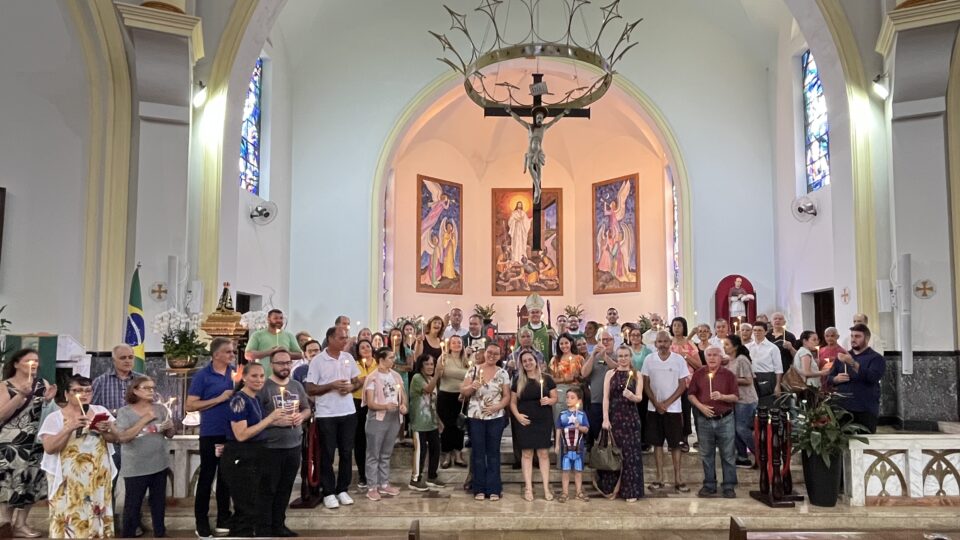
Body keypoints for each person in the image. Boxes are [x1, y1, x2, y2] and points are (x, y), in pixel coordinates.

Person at [39, 375, 121, 538]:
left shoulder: (100, 411)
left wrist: (105, 430)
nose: (83, 394)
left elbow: (115, 438)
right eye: (77, 390)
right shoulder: (55, 417)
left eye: (87, 390)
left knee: (96, 513)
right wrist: (68, 428)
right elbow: (49, 448)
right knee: (70, 515)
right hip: (68, 478)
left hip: (97, 475)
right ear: (67, 394)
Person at [222, 363, 290, 537]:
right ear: (244, 377)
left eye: (261, 376)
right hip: (242, 457)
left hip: (257, 454)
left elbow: (256, 426)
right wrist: (270, 419)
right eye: (254, 376)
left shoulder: (255, 398)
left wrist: (277, 421)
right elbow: (241, 434)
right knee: (245, 507)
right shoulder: (238, 400)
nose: (259, 380)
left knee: (256, 504)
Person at [0, 349, 56, 538]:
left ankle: (21, 525)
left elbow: (47, 413)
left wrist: (48, 401)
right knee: (11, 484)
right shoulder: (5, 385)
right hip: (12, 444)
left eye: (36, 361)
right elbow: (1, 415)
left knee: (30, 483)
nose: (34, 364)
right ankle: (5, 524)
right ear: (16, 364)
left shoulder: (42, 384)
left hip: (36, 442)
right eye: (28, 361)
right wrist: (19, 396)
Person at [186, 337, 237, 538]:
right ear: (216, 355)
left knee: (227, 477)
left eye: (232, 352)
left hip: (231, 432)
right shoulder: (203, 376)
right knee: (207, 477)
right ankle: (201, 520)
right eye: (228, 352)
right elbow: (190, 405)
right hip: (211, 432)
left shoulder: (234, 374)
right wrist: (219, 399)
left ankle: (224, 518)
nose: (232, 355)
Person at [304, 327, 361, 509]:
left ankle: (342, 488)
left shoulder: (348, 358)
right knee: (327, 453)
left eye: (346, 338)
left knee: (346, 452)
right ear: (330, 338)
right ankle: (328, 491)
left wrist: (351, 388)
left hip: (348, 411)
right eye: (341, 338)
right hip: (327, 413)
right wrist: (332, 386)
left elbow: (357, 380)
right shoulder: (318, 361)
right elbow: (310, 389)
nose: (345, 341)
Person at [114, 376, 175, 539]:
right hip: (136, 466)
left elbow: (169, 435)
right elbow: (123, 437)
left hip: (159, 463)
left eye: (153, 388)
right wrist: (145, 420)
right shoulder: (124, 412)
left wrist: (169, 428)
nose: (151, 391)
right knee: (133, 505)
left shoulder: (161, 409)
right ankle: (128, 534)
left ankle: (160, 533)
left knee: (158, 503)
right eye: (146, 388)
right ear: (135, 390)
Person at [91, 344, 144, 531]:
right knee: (109, 483)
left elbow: (150, 406)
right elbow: (91, 409)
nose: (128, 360)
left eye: (131, 357)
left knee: (135, 485)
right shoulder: (100, 381)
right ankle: (108, 524)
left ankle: (133, 523)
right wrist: (113, 416)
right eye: (123, 358)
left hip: (137, 440)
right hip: (111, 441)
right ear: (114, 360)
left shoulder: (141, 380)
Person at [256, 351, 309, 537]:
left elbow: (307, 408)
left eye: (288, 363)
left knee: (285, 488)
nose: (285, 367)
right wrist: (273, 421)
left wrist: (300, 416)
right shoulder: (264, 387)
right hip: (271, 446)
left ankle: (279, 524)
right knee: (268, 489)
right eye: (280, 363)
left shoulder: (296, 386)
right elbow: (255, 415)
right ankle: (263, 527)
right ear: (271, 364)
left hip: (293, 444)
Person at [460, 343, 511, 501]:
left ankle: (494, 488)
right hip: (476, 417)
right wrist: (471, 387)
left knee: (493, 453)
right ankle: (479, 488)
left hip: (495, 417)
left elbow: (507, 396)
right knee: (478, 453)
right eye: (490, 352)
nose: (492, 356)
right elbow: (463, 391)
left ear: (499, 356)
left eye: (496, 354)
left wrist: (497, 407)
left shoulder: (502, 373)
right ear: (484, 352)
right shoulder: (474, 369)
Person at [688, 347, 739, 498]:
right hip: (704, 420)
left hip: (725, 419)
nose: (711, 358)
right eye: (709, 355)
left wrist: (722, 396)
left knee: (728, 454)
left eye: (715, 355)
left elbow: (736, 397)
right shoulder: (699, 373)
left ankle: (729, 485)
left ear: (720, 357)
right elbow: (691, 394)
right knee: (706, 454)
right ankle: (709, 484)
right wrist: (701, 407)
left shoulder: (728, 375)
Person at [641, 331, 689, 494]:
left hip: (674, 409)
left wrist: (667, 403)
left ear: (670, 343)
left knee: (676, 444)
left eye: (665, 341)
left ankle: (678, 478)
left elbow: (683, 384)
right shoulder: (649, 359)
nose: (662, 344)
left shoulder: (678, 359)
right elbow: (645, 383)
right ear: (655, 344)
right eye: (659, 341)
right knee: (657, 443)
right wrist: (656, 402)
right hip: (653, 408)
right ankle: (659, 478)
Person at [599, 346, 645, 502]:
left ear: (630, 357)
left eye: (626, 355)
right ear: (616, 357)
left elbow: (639, 398)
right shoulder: (610, 374)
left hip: (630, 419)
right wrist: (605, 418)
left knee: (630, 455)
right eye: (620, 356)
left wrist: (631, 396)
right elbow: (605, 398)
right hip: (614, 418)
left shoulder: (637, 375)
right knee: (614, 454)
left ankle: (630, 491)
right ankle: (612, 488)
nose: (623, 358)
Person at [510, 350, 557, 501]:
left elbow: (555, 397)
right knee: (527, 454)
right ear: (521, 364)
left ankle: (545, 487)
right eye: (524, 361)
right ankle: (528, 488)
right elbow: (512, 402)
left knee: (543, 453)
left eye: (530, 360)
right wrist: (517, 416)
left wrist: (549, 401)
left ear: (536, 361)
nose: (528, 363)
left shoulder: (547, 379)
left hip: (543, 419)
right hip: (525, 420)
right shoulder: (518, 380)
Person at [362, 348, 407, 501]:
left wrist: (403, 406)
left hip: (394, 418)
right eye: (391, 357)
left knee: (386, 453)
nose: (393, 360)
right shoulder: (372, 378)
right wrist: (385, 406)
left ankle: (384, 483)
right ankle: (372, 486)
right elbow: (370, 402)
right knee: (374, 453)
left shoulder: (396, 376)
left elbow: (402, 395)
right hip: (378, 418)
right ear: (381, 359)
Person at [827, 324, 886, 433]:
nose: (853, 339)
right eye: (852, 336)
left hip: (865, 409)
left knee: (865, 446)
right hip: (843, 409)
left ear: (867, 339)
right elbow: (829, 378)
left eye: (858, 336)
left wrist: (852, 363)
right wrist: (836, 379)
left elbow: (872, 377)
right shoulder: (843, 356)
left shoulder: (876, 358)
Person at [408, 354, 445, 491]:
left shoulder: (431, 378)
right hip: (419, 421)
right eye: (427, 364)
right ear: (421, 365)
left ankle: (432, 476)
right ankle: (415, 479)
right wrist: (437, 375)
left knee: (436, 448)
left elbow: (433, 401)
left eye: (432, 364)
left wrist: (439, 420)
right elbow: (428, 390)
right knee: (420, 450)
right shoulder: (417, 378)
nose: (430, 366)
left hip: (431, 421)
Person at [724, 336, 757, 468]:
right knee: (735, 429)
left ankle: (760, 453)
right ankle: (742, 456)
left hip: (746, 400)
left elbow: (748, 380)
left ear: (735, 346)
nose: (724, 347)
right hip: (735, 399)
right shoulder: (730, 360)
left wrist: (730, 380)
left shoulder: (742, 359)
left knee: (742, 428)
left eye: (727, 344)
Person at [437, 335, 468, 469]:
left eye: (459, 342)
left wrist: (464, 388)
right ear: (449, 345)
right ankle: (447, 454)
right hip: (445, 395)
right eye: (453, 342)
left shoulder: (467, 360)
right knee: (447, 425)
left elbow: (471, 374)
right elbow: (440, 374)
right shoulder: (443, 357)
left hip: (462, 396)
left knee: (459, 425)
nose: (456, 344)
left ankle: (458, 453)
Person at [670, 317, 700, 452]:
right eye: (674, 325)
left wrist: (685, 355)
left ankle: (685, 439)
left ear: (684, 328)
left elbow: (699, 366)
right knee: (673, 413)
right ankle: (673, 439)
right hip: (670, 384)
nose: (676, 328)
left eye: (679, 326)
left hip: (687, 384)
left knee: (685, 412)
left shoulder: (690, 344)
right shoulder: (668, 343)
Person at [245, 309, 303, 378]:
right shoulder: (257, 335)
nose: (279, 320)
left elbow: (300, 355)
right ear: (268, 319)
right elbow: (248, 355)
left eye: (281, 318)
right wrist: (269, 352)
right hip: (263, 378)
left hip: (283, 378)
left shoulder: (289, 335)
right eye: (275, 318)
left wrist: (286, 353)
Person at [351, 340, 378, 490]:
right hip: (357, 403)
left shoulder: (378, 364)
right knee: (360, 439)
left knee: (374, 439)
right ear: (358, 351)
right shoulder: (354, 365)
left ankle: (375, 473)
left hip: (375, 403)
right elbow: (353, 383)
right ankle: (363, 474)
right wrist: (361, 381)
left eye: (368, 346)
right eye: (362, 347)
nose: (366, 349)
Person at [555, 387, 589, 503]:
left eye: (572, 397)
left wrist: (579, 427)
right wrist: (557, 445)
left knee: (578, 471)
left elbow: (586, 430)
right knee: (565, 471)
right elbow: (558, 430)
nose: (568, 399)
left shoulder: (581, 415)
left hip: (578, 449)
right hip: (566, 449)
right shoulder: (562, 415)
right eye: (567, 397)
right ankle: (565, 492)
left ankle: (578, 492)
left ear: (579, 401)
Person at [581, 331, 614, 448]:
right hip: (596, 400)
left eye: (608, 340)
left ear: (613, 341)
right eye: (602, 340)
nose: (605, 342)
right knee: (596, 430)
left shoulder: (618, 355)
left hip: (614, 402)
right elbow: (584, 373)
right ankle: (597, 457)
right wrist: (593, 355)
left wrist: (605, 357)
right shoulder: (592, 357)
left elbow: (618, 369)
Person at [747, 322, 782, 406]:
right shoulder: (747, 347)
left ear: (766, 332)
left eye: (760, 330)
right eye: (754, 330)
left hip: (768, 378)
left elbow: (778, 369)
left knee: (767, 405)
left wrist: (778, 385)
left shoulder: (773, 348)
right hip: (751, 378)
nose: (756, 332)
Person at [549, 334, 583, 420]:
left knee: (576, 420)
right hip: (560, 392)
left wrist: (578, 376)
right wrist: (564, 379)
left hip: (575, 391)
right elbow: (550, 379)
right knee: (560, 419)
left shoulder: (579, 359)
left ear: (571, 343)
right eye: (561, 344)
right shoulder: (555, 360)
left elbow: (585, 377)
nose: (564, 346)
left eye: (566, 343)